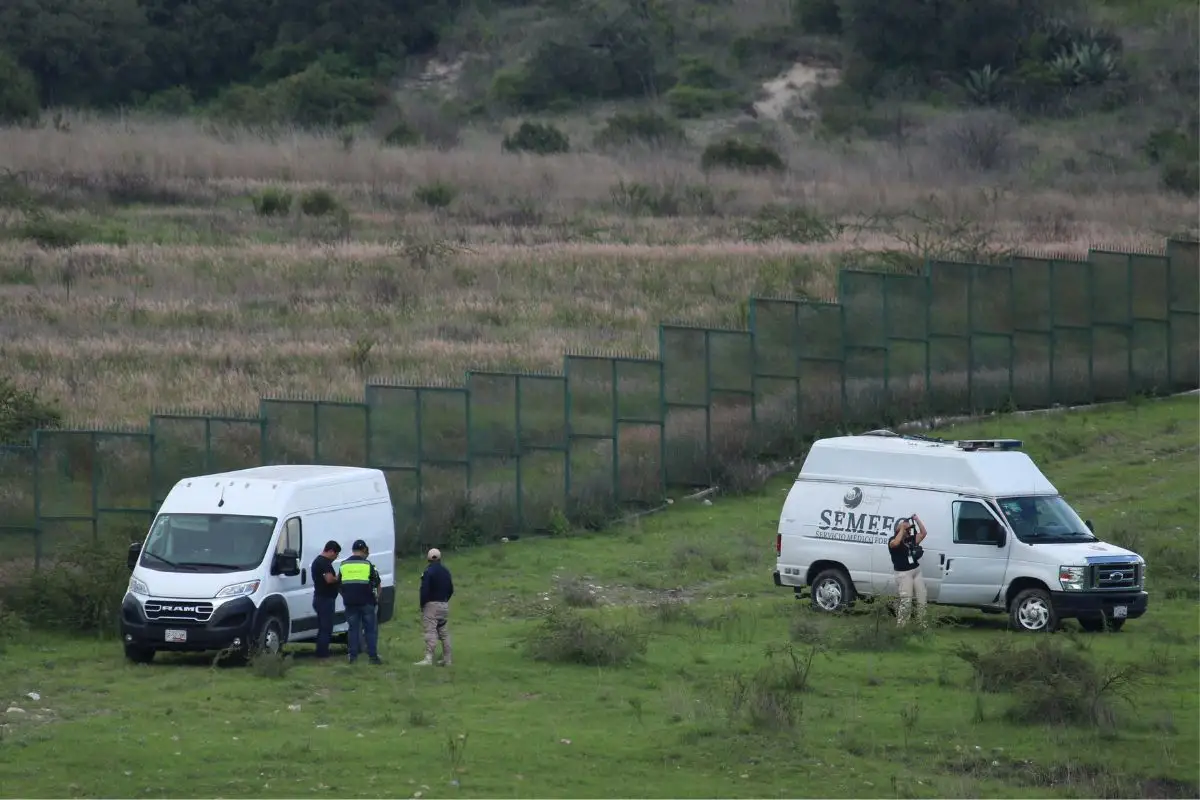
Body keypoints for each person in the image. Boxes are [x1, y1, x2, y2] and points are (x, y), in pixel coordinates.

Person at [338, 539, 383, 665]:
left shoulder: (343, 565)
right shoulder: (368, 565)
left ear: (353, 550)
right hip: (367, 602)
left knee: (353, 629)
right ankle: (373, 657)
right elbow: (378, 585)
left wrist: (346, 596)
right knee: (370, 630)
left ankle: (352, 657)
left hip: (350, 603)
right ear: (364, 550)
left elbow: (339, 585)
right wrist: (376, 599)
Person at [414, 548, 454, 667]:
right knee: (443, 632)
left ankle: (428, 658)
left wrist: (423, 604)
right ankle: (447, 659)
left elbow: (424, 590)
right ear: (440, 558)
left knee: (430, 631)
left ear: (428, 559)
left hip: (431, 605)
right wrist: (445, 600)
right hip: (444, 604)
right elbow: (451, 589)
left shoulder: (428, 572)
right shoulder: (446, 571)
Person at [888, 514, 928, 628]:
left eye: (909, 529)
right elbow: (895, 543)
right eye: (907, 529)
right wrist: (901, 529)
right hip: (903, 574)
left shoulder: (910, 540)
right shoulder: (892, 541)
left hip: (916, 571)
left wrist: (917, 520)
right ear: (898, 529)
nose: (908, 531)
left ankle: (922, 623)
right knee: (906, 601)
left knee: (922, 597)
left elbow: (923, 533)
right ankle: (901, 626)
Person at [310, 540, 342, 660]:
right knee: (326, 627)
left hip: (320, 598)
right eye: (336, 554)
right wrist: (338, 578)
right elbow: (329, 579)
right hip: (325, 599)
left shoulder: (318, 561)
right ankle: (322, 653)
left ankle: (321, 650)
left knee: (323, 626)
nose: (335, 557)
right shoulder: (324, 563)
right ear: (330, 551)